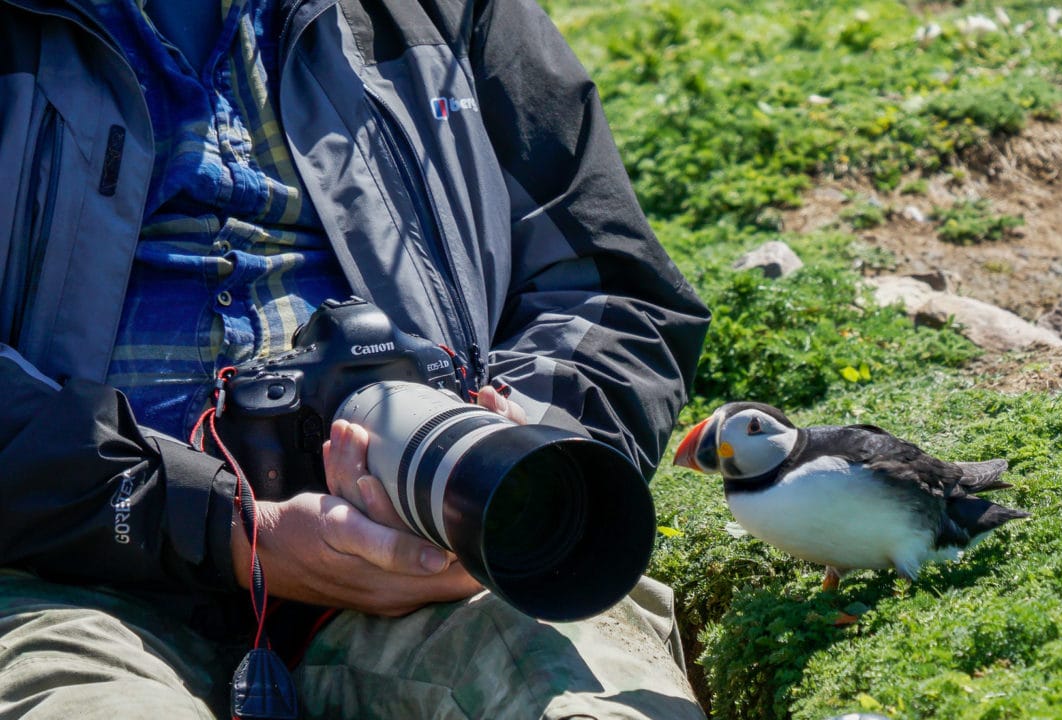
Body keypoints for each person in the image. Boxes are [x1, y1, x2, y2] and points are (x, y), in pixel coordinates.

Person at [0, 0, 712, 717]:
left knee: (581, 696)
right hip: (56, 578)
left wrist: (507, 478)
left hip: (431, 545)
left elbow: (610, 292)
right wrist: (212, 524)